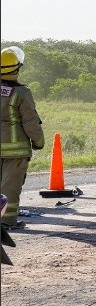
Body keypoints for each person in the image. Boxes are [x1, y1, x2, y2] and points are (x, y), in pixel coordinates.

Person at [1, 46, 45, 229]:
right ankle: (7, 221)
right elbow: (30, 122)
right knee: (10, 188)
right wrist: (39, 142)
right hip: (15, 151)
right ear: (17, 68)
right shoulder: (21, 93)